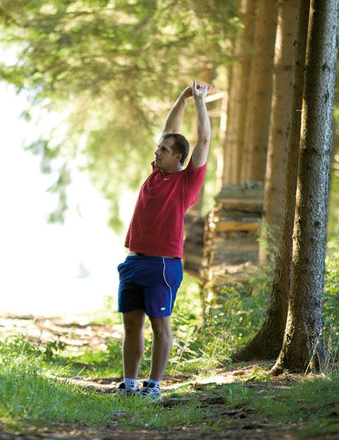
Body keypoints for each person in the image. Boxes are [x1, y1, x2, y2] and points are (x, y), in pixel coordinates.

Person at [116, 80, 211, 400]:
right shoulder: (156, 172)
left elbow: (204, 139)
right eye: (159, 148)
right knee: (131, 326)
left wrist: (199, 101)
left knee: (160, 327)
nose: (157, 151)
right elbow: (169, 130)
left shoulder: (187, 182)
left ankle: (153, 387)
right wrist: (182, 97)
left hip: (162, 263)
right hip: (133, 260)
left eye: (164, 150)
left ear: (180, 157)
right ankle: (129, 385)